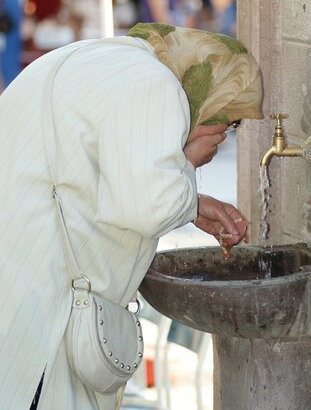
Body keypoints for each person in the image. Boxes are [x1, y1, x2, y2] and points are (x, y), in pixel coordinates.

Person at [0, 23, 262, 409]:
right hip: (46, 308)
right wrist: (186, 165)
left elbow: (108, 177)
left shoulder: (96, 59)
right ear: (209, 92)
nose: (226, 135)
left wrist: (194, 204)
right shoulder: (158, 87)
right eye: (231, 118)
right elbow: (148, 205)